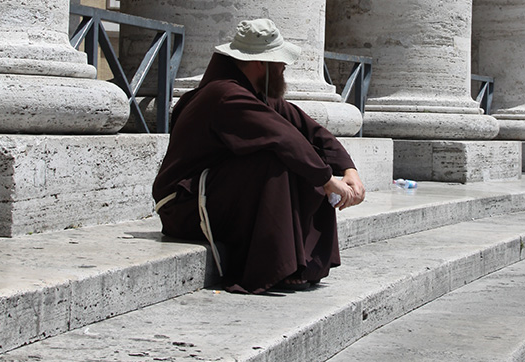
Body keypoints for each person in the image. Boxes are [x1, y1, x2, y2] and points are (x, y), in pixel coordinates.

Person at [152, 18, 366, 293]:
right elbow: (284, 138)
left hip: (212, 198)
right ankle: (275, 268)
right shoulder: (224, 95)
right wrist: (327, 180)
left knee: (303, 157)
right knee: (276, 160)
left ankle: (300, 264)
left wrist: (350, 172)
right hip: (183, 207)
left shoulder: (257, 95)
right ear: (258, 63)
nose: (284, 68)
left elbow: (313, 133)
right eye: (279, 62)